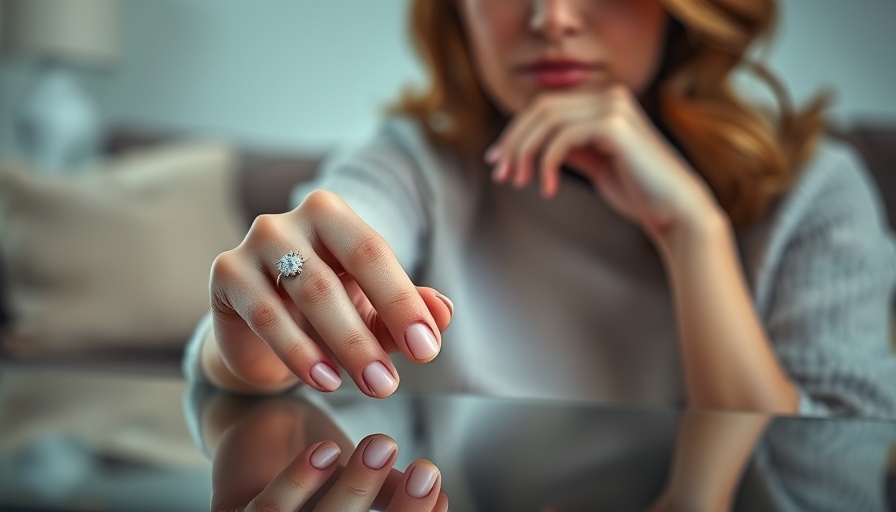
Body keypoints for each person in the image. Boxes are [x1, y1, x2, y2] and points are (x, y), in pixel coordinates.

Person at [183, 0, 896, 417]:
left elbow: (831, 477)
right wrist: (249, 346)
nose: (551, 18)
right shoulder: (417, 162)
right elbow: (340, 239)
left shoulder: (815, 193)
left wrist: (692, 231)